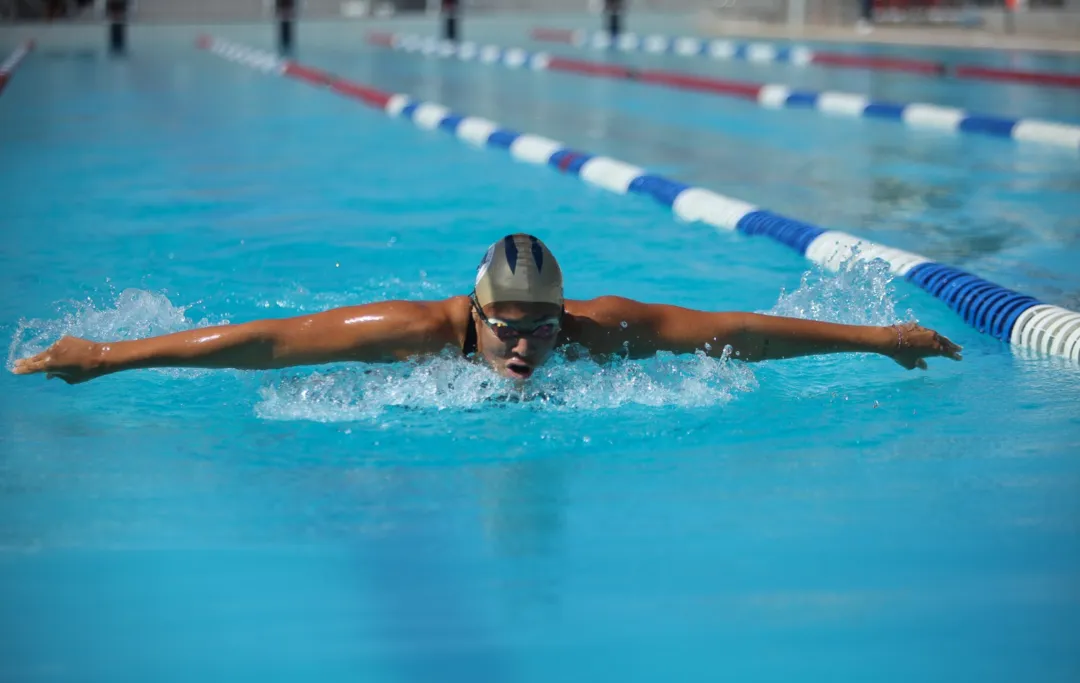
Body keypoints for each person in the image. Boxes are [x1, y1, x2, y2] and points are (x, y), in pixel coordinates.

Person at [11, 233, 962, 386]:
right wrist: (104, 353)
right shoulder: (418, 332)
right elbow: (265, 344)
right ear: (475, 312)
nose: (525, 344)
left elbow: (738, 333)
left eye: (541, 326)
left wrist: (876, 340)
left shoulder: (596, 332)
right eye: (508, 326)